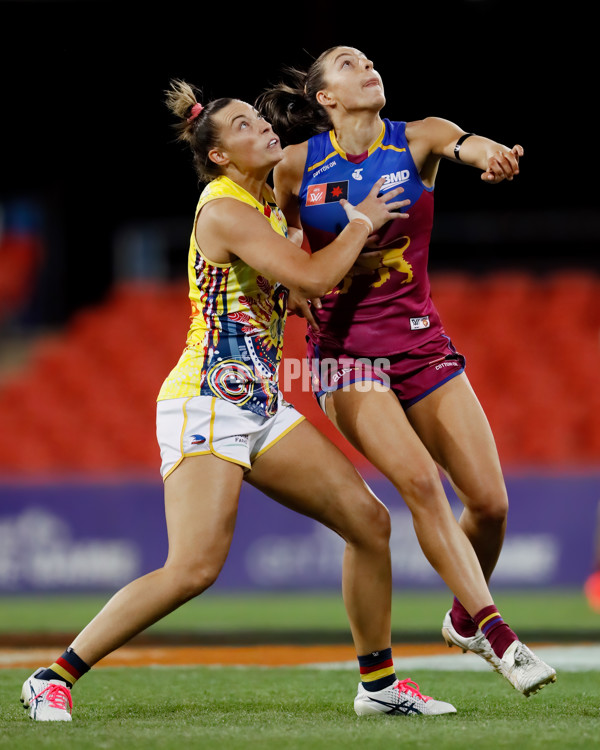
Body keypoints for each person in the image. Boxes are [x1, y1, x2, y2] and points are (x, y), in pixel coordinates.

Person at [20, 79, 460, 723]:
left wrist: (297, 294)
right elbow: (311, 272)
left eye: (260, 119)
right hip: (204, 401)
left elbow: (288, 284)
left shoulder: (268, 208)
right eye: (246, 127)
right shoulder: (224, 208)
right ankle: (52, 676)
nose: (264, 129)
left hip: (259, 402)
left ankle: (378, 684)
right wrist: (361, 217)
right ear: (221, 155)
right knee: (194, 568)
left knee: (369, 525)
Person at [257, 46, 557, 694]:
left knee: (490, 505)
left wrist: (496, 157)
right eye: (347, 63)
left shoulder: (420, 137)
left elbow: (471, 146)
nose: (367, 67)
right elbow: (278, 252)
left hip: (422, 345)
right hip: (344, 355)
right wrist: (297, 274)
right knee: (421, 482)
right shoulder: (294, 165)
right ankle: (500, 636)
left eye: (369, 60)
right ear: (324, 97)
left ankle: (461, 617)